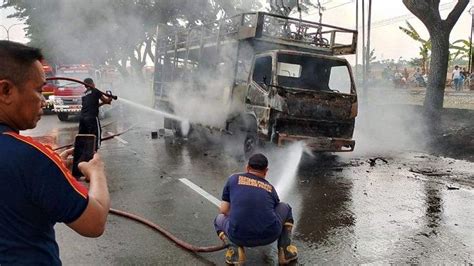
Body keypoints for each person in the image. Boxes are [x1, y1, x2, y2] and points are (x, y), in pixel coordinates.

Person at [0, 40, 110, 265]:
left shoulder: (30, 163)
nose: (43, 101)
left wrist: (44, 173)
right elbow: (95, 222)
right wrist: (96, 172)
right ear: (6, 90)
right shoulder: (31, 158)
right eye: (39, 90)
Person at [214, 153, 298, 265]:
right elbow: (273, 209)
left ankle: (235, 253)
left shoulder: (233, 179)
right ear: (266, 171)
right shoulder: (270, 188)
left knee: (218, 220)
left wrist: (239, 214)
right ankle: (286, 252)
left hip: (238, 236)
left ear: (247, 167)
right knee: (285, 207)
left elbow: (223, 210)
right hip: (270, 235)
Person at [78, 77, 113, 150]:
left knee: (83, 136)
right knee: (95, 135)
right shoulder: (95, 91)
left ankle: (82, 151)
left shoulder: (84, 95)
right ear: (92, 84)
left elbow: (93, 105)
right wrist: (109, 99)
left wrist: (104, 103)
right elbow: (106, 100)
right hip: (92, 117)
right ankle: (94, 151)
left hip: (82, 118)